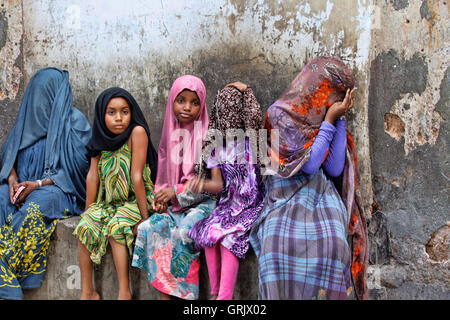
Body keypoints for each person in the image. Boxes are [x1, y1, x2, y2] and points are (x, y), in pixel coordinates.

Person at [249, 56, 369, 300]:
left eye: (343, 96)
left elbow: (334, 169)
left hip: (319, 192)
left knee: (333, 242)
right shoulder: (278, 114)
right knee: (275, 245)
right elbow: (308, 164)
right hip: (282, 194)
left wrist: (338, 119)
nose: (339, 101)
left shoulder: (329, 116)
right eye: (336, 94)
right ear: (318, 87)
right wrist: (328, 120)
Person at [0, 67, 91, 300]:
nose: (38, 101)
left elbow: (79, 172)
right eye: (35, 95)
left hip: (58, 190)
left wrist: (39, 184)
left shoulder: (75, 126)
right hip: (23, 186)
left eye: (44, 95)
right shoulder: (27, 121)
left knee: (34, 208)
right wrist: (12, 179)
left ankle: (6, 277)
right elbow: (8, 153)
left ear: (56, 95)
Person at [132, 75, 215, 300]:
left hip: (205, 204)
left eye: (194, 102)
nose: (187, 107)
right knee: (151, 227)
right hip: (177, 205)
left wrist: (176, 192)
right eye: (181, 100)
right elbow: (164, 181)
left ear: (202, 105)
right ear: (171, 102)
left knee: (185, 231)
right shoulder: (170, 135)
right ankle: (165, 294)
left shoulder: (209, 138)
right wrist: (160, 200)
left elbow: (212, 186)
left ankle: (184, 295)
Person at [72, 87, 158, 300]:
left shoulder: (136, 134)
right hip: (109, 203)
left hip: (136, 201)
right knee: (85, 226)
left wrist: (146, 218)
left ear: (132, 113)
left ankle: (124, 292)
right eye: (111, 112)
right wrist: (88, 210)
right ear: (102, 115)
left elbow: (137, 177)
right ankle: (87, 292)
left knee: (116, 227)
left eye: (124, 111)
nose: (118, 118)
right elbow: (92, 176)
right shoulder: (99, 139)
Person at [187, 82, 265, 300]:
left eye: (233, 111)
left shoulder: (254, 140)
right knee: (210, 232)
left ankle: (224, 297)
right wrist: (201, 184)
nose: (228, 118)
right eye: (224, 111)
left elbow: (256, 115)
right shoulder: (215, 148)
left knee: (229, 238)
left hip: (252, 203)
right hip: (229, 205)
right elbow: (219, 185)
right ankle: (214, 293)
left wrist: (247, 90)